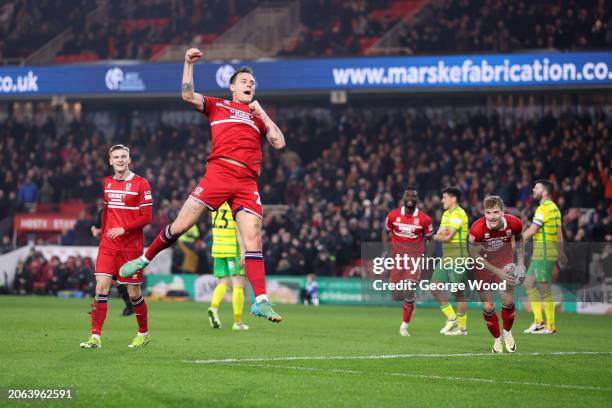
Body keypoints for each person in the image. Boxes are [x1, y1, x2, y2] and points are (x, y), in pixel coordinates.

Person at [120, 48, 285, 322]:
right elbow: (186, 95)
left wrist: (263, 114)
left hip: (247, 181)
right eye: (244, 81)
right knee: (181, 225)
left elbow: (279, 143)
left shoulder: (257, 118)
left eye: (252, 82)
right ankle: (145, 259)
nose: (249, 84)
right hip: (219, 173)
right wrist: (187, 63)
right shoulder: (219, 106)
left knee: (254, 238)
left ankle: (261, 301)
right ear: (232, 87)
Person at [80, 144, 153, 350]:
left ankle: (143, 333)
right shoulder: (107, 183)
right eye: (116, 157)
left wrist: (124, 228)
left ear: (129, 160)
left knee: (133, 294)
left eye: (123, 156)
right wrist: (99, 228)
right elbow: (106, 209)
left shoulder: (141, 184)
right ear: (110, 161)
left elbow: (147, 217)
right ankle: (95, 336)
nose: (120, 160)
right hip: (108, 245)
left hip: (131, 247)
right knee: (101, 287)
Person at [468, 196, 525, 353]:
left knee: (507, 301)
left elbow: (519, 239)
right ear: (484, 212)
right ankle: (497, 339)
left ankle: (507, 332)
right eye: (488, 212)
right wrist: (497, 271)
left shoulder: (514, 223)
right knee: (488, 307)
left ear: (503, 211)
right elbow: (475, 255)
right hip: (482, 266)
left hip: (505, 263)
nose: (492, 216)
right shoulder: (477, 229)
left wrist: (520, 263)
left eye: (495, 212)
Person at [382, 187, 433, 337]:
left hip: (414, 258)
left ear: (417, 200)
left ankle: (404, 327)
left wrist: (427, 257)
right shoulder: (393, 215)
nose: (410, 198)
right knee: (397, 295)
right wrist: (387, 250)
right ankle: (411, 302)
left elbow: (431, 239)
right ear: (403, 198)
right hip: (397, 258)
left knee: (409, 289)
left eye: (413, 196)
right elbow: (385, 232)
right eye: (408, 195)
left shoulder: (424, 219)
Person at [522, 180, 567, 334]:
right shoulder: (555, 209)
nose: (534, 189)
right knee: (528, 282)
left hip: (544, 251)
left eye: (537, 187)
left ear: (545, 192)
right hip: (543, 252)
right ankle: (539, 322)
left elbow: (533, 230)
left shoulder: (543, 209)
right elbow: (559, 234)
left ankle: (550, 326)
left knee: (543, 287)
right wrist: (561, 252)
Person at [431, 186, 470, 335]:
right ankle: (452, 318)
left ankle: (462, 328)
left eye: (444, 197)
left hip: (459, 258)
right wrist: (440, 235)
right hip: (446, 257)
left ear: (453, 198)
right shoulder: (446, 214)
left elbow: (446, 236)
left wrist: (435, 236)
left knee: (458, 293)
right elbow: (442, 233)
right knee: (434, 287)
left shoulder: (459, 214)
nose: (442, 200)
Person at [207, 202, 249, 330]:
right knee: (238, 283)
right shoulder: (234, 205)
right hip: (232, 248)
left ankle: (213, 307)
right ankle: (237, 322)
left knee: (223, 282)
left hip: (218, 248)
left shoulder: (216, 205)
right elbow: (238, 229)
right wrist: (243, 251)